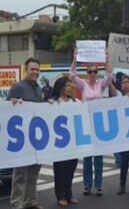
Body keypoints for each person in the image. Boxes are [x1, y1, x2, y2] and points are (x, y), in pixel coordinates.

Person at [70, 49, 113, 197]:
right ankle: (87, 185)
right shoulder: (82, 85)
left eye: (95, 71)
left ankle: (99, 186)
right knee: (88, 158)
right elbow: (72, 75)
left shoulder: (101, 84)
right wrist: (75, 59)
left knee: (99, 158)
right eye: (90, 71)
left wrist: (107, 60)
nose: (93, 74)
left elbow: (110, 76)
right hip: (87, 124)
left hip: (99, 124)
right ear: (87, 73)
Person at [7, 57, 43, 209]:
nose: (35, 72)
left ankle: (30, 201)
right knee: (20, 173)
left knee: (34, 170)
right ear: (25, 70)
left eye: (37, 69)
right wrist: (12, 103)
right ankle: (17, 204)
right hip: (22, 138)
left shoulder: (39, 88)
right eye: (32, 69)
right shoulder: (18, 87)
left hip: (36, 137)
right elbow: (6, 108)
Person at [51, 77, 79, 206]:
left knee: (71, 169)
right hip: (59, 143)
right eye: (68, 85)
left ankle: (69, 194)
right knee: (60, 170)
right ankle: (60, 196)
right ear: (61, 87)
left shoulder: (75, 102)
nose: (70, 87)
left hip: (73, 143)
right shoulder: (54, 103)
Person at [117, 75, 129, 196]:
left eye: (128, 82)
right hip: (123, 136)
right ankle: (122, 185)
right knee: (123, 163)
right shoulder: (117, 99)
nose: (126, 84)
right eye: (123, 82)